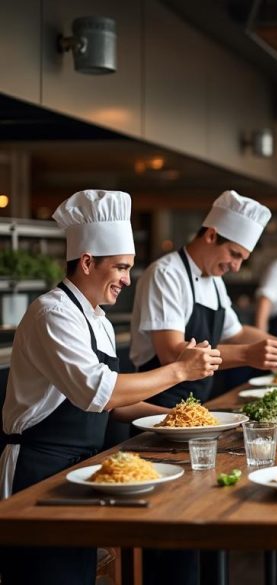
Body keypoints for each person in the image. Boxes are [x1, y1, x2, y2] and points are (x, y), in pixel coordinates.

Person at [0, 190, 220, 585]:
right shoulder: (53, 314)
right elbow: (97, 393)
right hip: (38, 470)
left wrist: (180, 419)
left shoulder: (97, 317)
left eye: (129, 268)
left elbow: (116, 405)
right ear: (86, 262)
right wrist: (180, 371)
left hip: (80, 468)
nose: (126, 279)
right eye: (120, 267)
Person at [130, 190, 277, 407]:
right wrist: (247, 355)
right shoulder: (166, 274)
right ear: (211, 235)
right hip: (157, 409)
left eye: (242, 259)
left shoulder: (214, 279)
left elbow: (237, 333)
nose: (236, 266)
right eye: (234, 254)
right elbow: (171, 352)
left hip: (196, 408)